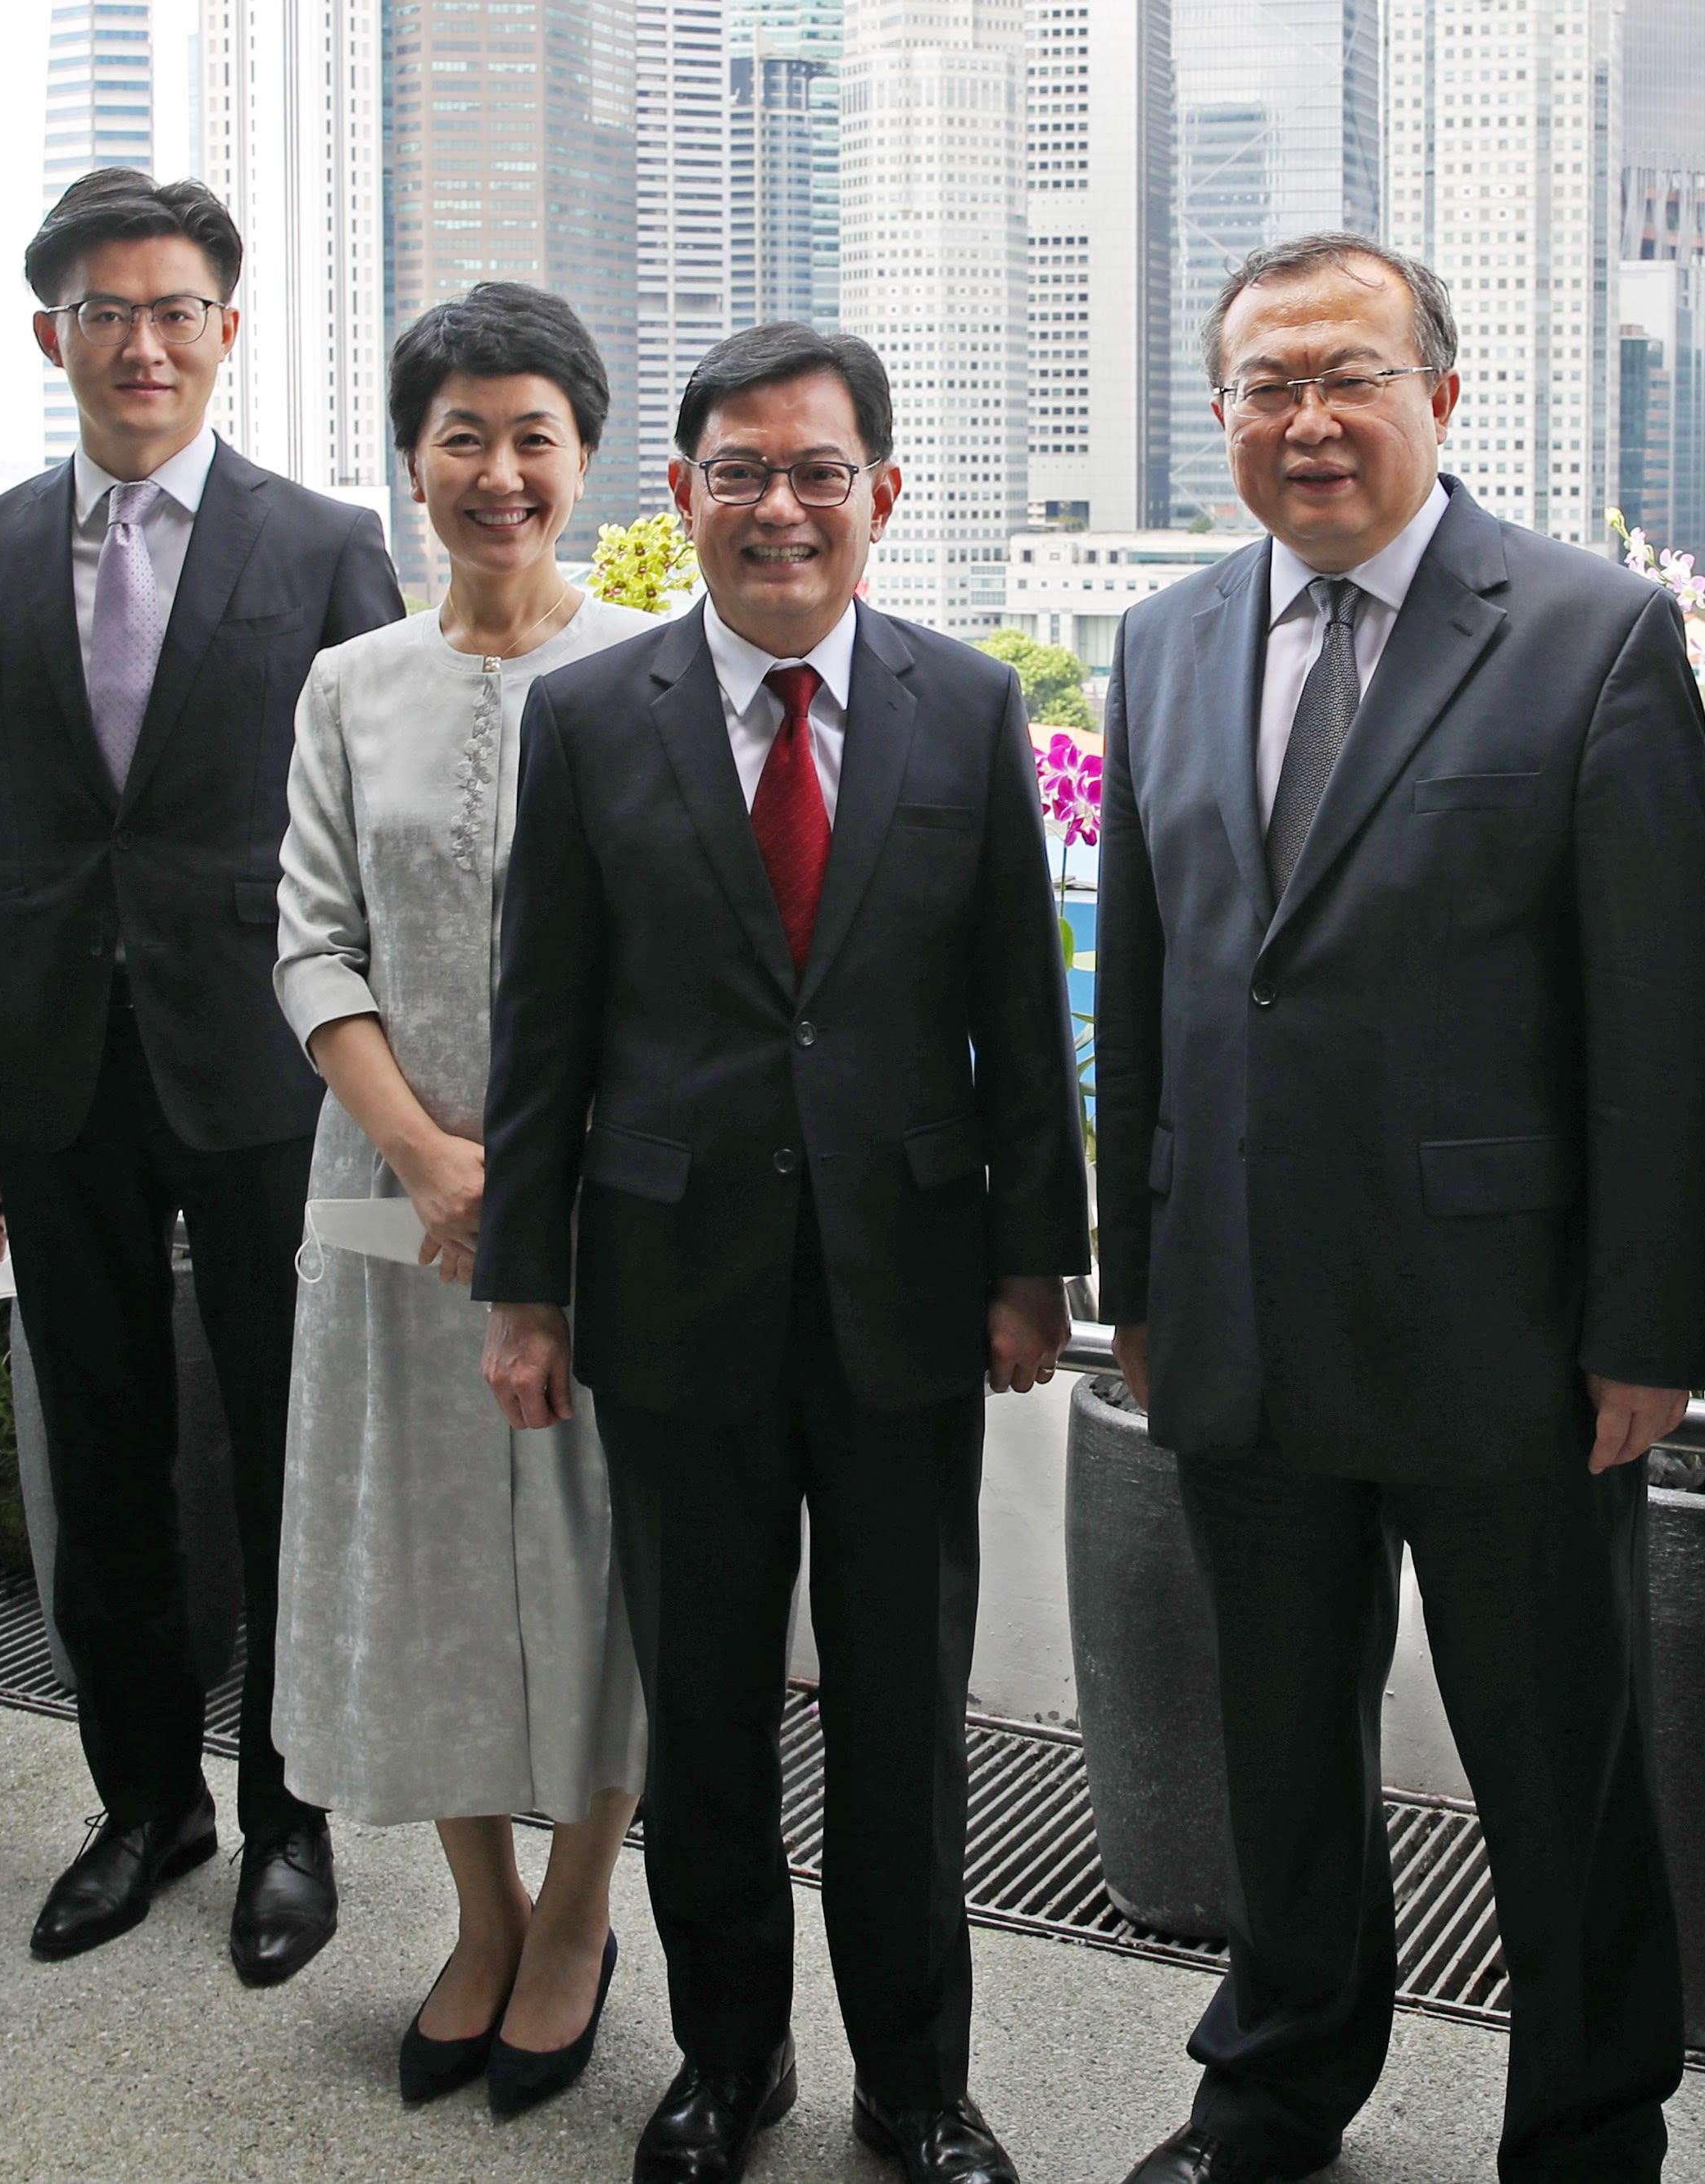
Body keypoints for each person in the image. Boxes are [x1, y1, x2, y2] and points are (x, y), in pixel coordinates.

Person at [1091, 233, 1705, 2184]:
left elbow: (1660, 1016)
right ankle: (1276, 2085)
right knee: (1278, 1750)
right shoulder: (1170, 637)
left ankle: (1590, 2125)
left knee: (1558, 1768)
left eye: (1348, 375)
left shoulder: (1589, 632)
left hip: (1508, 1331)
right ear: (1220, 418)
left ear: (1441, 395)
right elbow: (1146, 985)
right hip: (1243, 1314)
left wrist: (1644, 1327)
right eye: (1266, 386)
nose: (1308, 419)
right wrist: (1145, 1277)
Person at [473, 321, 1086, 2184]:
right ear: (682, 495)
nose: (781, 508)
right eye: (740, 471)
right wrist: (527, 1283)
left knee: (904, 1715)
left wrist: (1030, 1259)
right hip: (671, 1293)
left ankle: (918, 2084)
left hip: (906, 1289)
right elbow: (542, 1027)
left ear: (882, 497)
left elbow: (1014, 1009)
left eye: (820, 472)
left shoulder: (968, 708)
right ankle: (727, 2063)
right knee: (711, 1713)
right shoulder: (590, 719)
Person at [0, 167, 406, 1976]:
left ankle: (290, 1816)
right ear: (52, 334)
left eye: (177, 309)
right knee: (99, 1448)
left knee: (292, 1449)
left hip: (272, 1064)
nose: (143, 342)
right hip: (56, 1072)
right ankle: (145, 1803)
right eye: (108, 312)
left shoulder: (323, 541)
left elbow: (368, 821)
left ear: (223, 327)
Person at [270, 285, 651, 2118]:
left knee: (598, 1567)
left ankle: (580, 1912)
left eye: (533, 437)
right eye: (461, 436)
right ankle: (479, 1913)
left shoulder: (661, 661)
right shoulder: (352, 682)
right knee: (414, 1557)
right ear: (412, 459)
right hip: (386, 1196)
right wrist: (428, 1155)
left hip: (605, 1216)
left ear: (584, 457)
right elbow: (309, 938)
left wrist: (541, 1188)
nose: (498, 473)